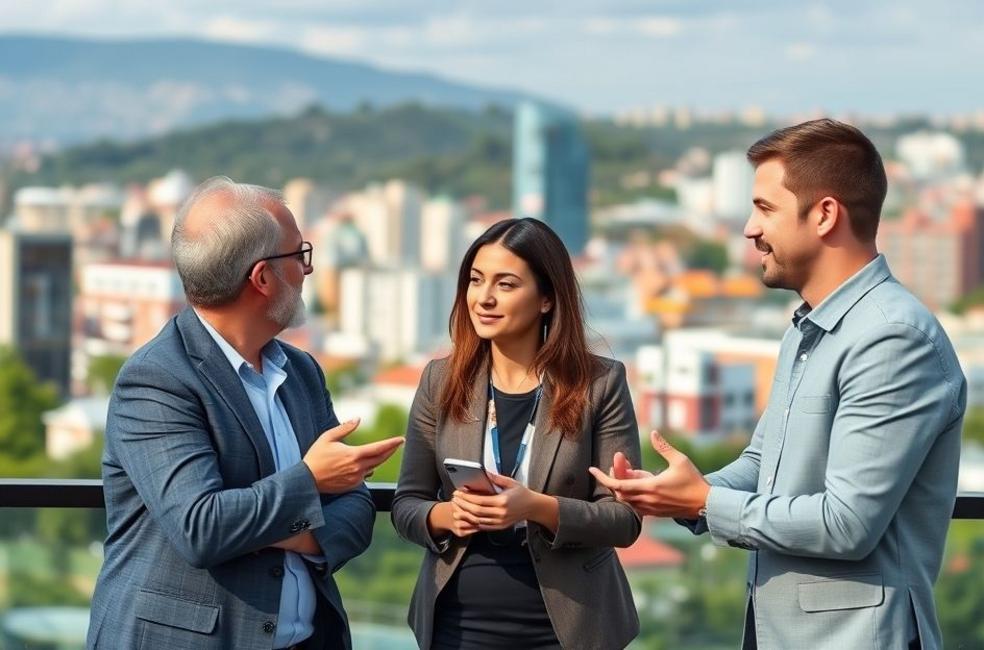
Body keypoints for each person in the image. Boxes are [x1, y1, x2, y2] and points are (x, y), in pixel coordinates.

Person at [592, 119, 966, 650]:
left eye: (765, 208)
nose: (749, 228)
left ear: (825, 215)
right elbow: (764, 464)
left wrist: (703, 503)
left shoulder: (891, 338)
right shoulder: (809, 329)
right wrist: (676, 494)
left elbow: (847, 522)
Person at [87, 177, 404, 650]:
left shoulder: (300, 371)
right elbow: (201, 528)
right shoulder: (157, 379)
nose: (306, 271)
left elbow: (356, 506)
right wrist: (310, 480)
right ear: (261, 278)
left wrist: (293, 535)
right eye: (300, 255)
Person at [392, 218, 642, 650]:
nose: (484, 298)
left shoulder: (600, 383)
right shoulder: (441, 380)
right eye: (475, 280)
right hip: (458, 624)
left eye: (505, 284)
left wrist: (537, 507)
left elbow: (625, 521)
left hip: (567, 627)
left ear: (546, 299)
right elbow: (406, 504)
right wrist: (447, 516)